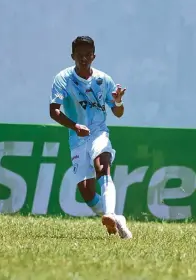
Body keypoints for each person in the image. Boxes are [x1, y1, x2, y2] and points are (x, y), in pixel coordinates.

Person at [49, 35, 132, 239]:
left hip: (98, 133)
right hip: (77, 138)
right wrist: (75, 126)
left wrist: (118, 102)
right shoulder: (63, 79)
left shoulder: (104, 80)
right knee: (86, 192)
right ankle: (115, 219)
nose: (84, 59)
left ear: (94, 56)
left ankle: (110, 213)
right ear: (72, 56)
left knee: (102, 165)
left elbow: (118, 113)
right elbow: (54, 111)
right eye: (80, 55)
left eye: (87, 55)